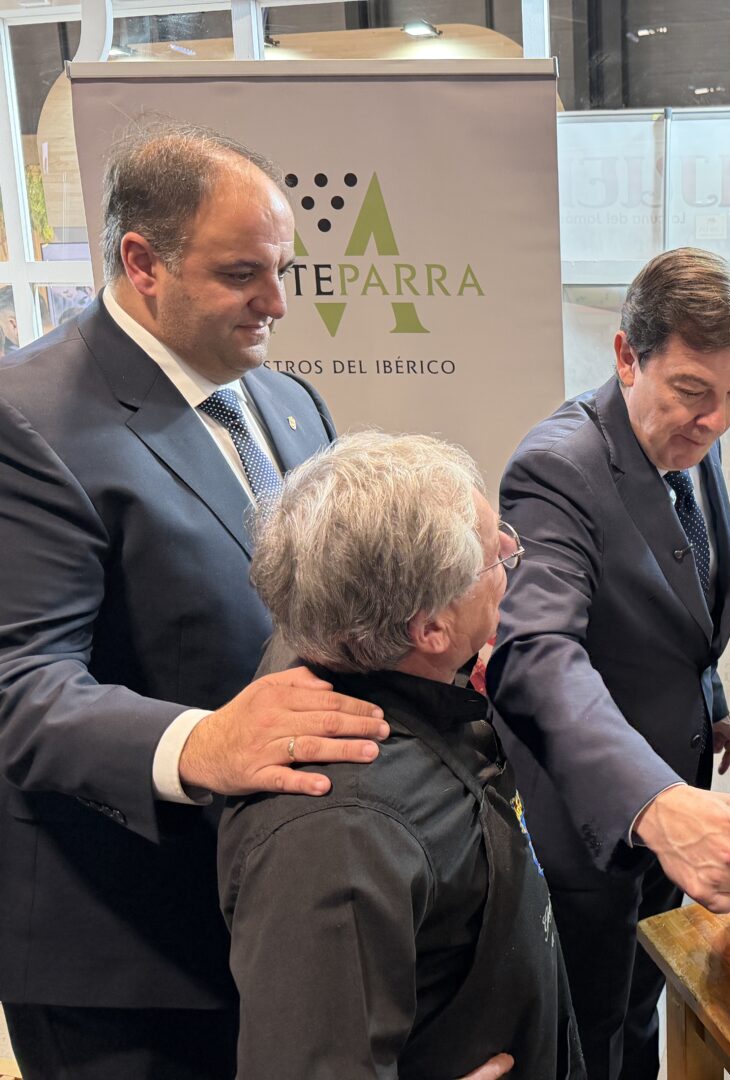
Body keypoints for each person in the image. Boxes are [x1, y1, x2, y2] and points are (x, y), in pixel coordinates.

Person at [0, 121, 388, 1079]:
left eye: (284, 271)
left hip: (282, 916)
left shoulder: (291, 404)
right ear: (143, 263)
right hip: (124, 956)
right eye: (241, 275)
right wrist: (200, 744)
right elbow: (20, 687)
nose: (277, 304)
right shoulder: (27, 420)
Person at [487, 247, 730, 1080]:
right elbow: (536, 652)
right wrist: (652, 800)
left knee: (640, 1010)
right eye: (692, 390)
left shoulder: (691, 440)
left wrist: (708, 697)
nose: (715, 419)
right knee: (590, 1032)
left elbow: (675, 598)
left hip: (675, 789)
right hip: (594, 823)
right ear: (627, 355)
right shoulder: (559, 467)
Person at [221, 433, 581, 1080]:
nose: (509, 554)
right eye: (492, 555)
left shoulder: (365, 657)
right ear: (429, 628)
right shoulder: (337, 836)